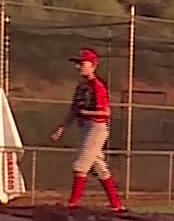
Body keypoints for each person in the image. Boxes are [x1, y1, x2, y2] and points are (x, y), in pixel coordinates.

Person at [48, 47, 126, 212]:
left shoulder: (97, 86)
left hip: (96, 128)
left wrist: (86, 112)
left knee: (80, 164)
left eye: (82, 63)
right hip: (85, 128)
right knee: (99, 168)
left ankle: (73, 203)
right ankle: (116, 206)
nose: (78, 66)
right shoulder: (81, 86)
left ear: (93, 65)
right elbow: (73, 109)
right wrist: (62, 127)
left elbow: (106, 112)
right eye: (77, 63)